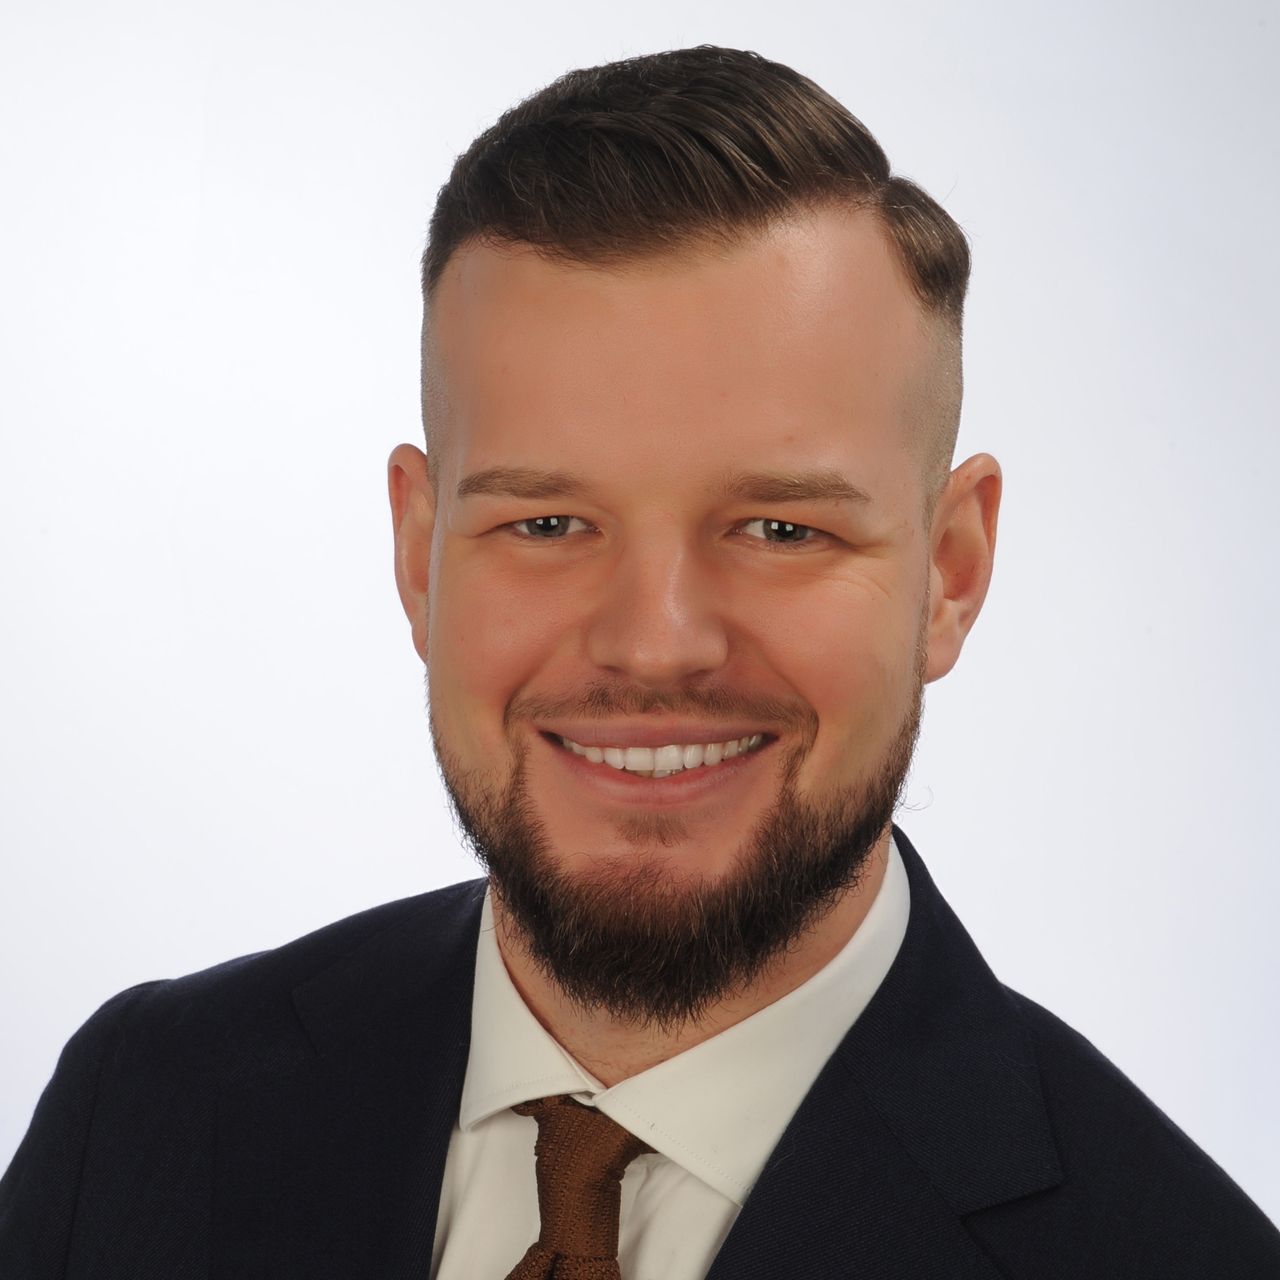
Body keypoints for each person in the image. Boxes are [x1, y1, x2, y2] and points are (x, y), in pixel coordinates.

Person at [2, 43, 1276, 1279]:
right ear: (418, 556)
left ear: (949, 570)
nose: (654, 641)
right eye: (546, 523)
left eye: (778, 529)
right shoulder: (146, 1107)